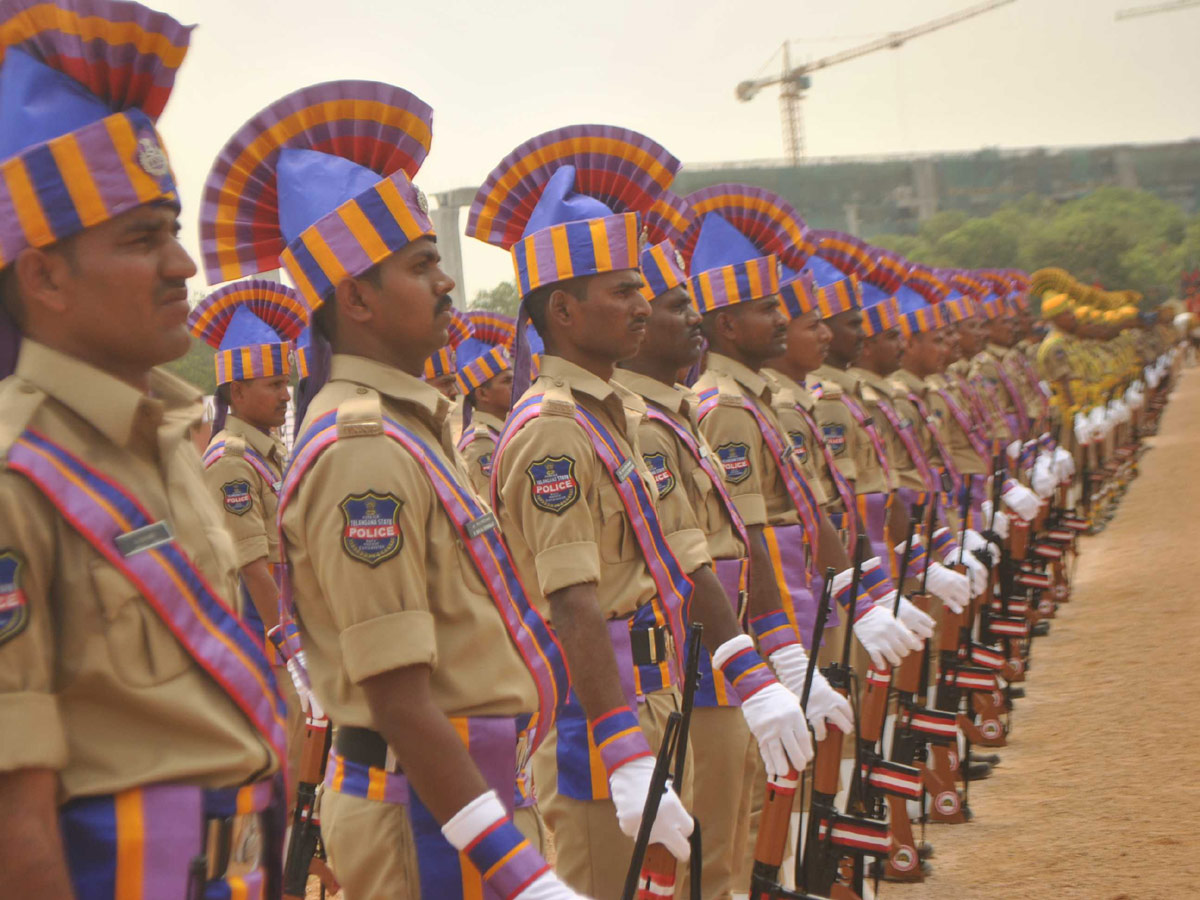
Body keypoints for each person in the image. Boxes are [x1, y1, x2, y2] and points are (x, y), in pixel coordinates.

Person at [199, 79, 576, 899]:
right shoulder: (362, 449)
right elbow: (399, 695)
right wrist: (518, 872)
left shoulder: (405, 428)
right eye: (422, 265)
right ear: (358, 299)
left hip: (458, 799)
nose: (447, 285)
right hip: (427, 817)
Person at [468, 127, 812, 898]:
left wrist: (753, 675)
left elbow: (688, 559)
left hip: (661, 690)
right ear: (563, 310)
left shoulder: (616, 414)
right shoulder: (553, 427)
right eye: (623, 291)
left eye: (640, 290)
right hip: (601, 708)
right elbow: (573, 601)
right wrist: (620, 745)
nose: (643, 304)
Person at [0, 3, 285, 896]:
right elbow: (17, 825)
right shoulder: (18, 475)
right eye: (141, 239)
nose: (182, 267)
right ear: (42, 274)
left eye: (172, 231)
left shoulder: (161, 444)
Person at [614, 198, 851, 898]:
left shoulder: (682, 413)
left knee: (740, 835)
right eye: (670, 304)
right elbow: (707, 556)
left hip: (735, 648)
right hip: (698, 663)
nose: (785, 322)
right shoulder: (672, 417)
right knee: (712, 852)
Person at [189, 279, 309, 793]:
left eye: (286, 384)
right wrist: (295, 653)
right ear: (236, 392)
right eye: (273, 385)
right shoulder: (232, 463)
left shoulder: (265, 455)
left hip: (285, 641)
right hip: (268, 650)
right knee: (284, 780)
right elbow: (253, 567)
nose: (286, 395)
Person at [456, 335, 516, 496]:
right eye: (507, 381)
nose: (515, 385)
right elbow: (494, 509)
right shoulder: (481, 444)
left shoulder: (501, 432)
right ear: (482, 394)